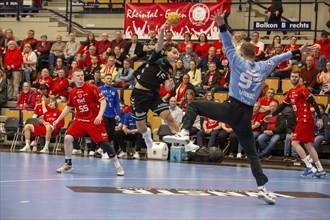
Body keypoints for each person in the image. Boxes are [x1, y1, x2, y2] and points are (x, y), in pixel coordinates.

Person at [164, 10, 308, 205]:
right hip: (245, 116)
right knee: (251, 154)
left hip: (231, 109)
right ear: (254, 54)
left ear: (241, 53)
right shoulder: (264, 66)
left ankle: (185, 133)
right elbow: (280, 58)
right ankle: (262, 188)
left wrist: (222, 24)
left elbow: (226, 43)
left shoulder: (237, 60)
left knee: (195, 104)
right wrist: (297, 52)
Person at [53, 69, 125, 176]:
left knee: (104, 144)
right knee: (68, 138)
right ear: (73, 77)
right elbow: (68, 107)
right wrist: (58, 119)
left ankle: (118, 166)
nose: (80, 77)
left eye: (82, 75)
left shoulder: (92, 88)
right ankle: (68, 164)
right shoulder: (72, 92)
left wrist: (100, 115)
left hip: (94, 121)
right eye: (78, 75)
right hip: (80, 121)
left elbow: (103, 101)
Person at [130, 21, 181, 149]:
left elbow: (166, 87)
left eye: (178, 54)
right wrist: (162, 30)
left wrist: (169, 86)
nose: (176, 56)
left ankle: (183, 141)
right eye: (174, 52)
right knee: (141, 126)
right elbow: (159, 43)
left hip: (153, 95)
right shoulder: (157, 56)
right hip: (139, 94)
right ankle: (146, 135)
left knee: (169, 117)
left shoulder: (170, 69)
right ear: (166, 52)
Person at [266, 70, 326, 178]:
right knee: (308, 145)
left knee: (294, 143)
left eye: (296, 76)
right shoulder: (290, 92)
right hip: (303, 120)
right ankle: (320, 169)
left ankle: (309, 167)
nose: (293, 78)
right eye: (292, 76)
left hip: (305, 119)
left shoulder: (303, 89)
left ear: (299, 78)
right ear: (290, 78)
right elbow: (282, 106)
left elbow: (314, 103)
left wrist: (320, 118)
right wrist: (272, 114)